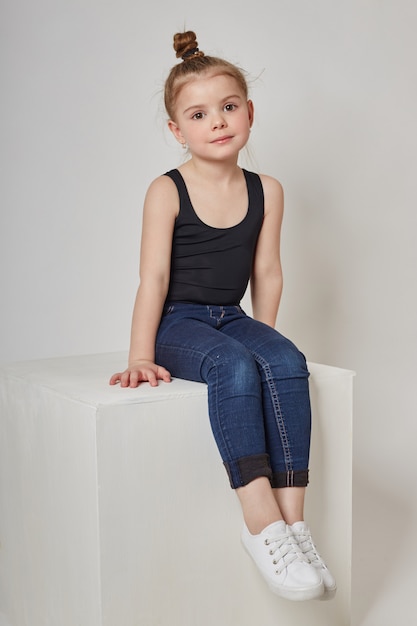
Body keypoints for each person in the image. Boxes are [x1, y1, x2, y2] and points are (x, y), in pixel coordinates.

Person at [110, 30, 336, 602]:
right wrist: (141, 353)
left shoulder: (268, 190)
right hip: (178, 325)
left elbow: (268, 274)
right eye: (199, 113)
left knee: (285, 359)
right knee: (233, 367)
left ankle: (293, 525)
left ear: (250, 112)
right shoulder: (166, 190)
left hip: (230, 315)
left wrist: (266, 338)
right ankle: (260, 524)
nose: (217, 122)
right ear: (176, 130)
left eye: (229, 107)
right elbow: (153, 280)